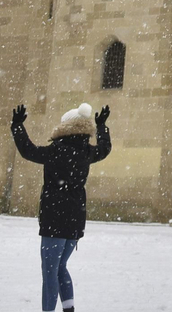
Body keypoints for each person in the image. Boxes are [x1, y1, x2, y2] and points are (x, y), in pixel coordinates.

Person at [11, 102, 111, 312]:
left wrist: (17, 126)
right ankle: (69, 309)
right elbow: (104, 149)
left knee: (50, 271)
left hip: (54, 219)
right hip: (75, 220)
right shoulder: (86, 151)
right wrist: (102, 127)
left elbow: (28, 151)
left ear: (64, 127)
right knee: (61, 267)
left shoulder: (56, 150)